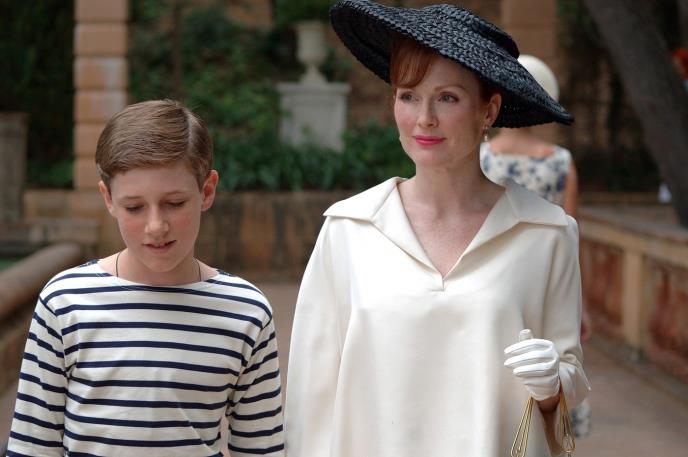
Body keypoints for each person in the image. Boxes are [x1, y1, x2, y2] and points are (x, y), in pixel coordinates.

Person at [285, 2, 590, 456]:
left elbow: (567, 395)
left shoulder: (546, 233)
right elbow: (310, 395)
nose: (423, 117)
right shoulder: (348, 229)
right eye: (408, 95)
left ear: (489, 110)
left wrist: (553, 385)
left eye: (447, 98)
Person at [6, 100, 285, 456]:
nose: (156, 226)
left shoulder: (246, 312)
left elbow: (262, 448)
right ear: (108, 198)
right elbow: (32, 445)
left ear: (207, 191)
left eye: (174, 203)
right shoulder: (65, 302)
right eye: (134, 207)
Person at [481, 54, 592, 438]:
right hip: (546, 283)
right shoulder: (560, 161)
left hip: (493, 284)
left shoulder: (480, 157)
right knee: (551, 366)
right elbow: (571, 237)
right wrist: (580, 307)